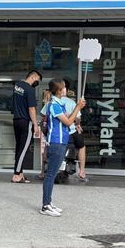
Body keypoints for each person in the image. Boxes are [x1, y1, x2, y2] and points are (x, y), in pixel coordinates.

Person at [40, 78, 86, 217]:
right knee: (51, 174)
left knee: (52, 173)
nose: (66, 89)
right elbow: (67, 122)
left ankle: (48, 202)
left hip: (60, 141)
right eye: (64, 87)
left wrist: (76, 113)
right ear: (59, 90)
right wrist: (78, 107)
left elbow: (70, 119)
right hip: (56, 142)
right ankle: (45, 205)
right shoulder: (54, 105)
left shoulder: (58, 104)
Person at [11, 69, 42, 183]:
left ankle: (21, 173)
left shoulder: (17, 85)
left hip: (16, 120)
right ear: (33, 77)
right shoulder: (30, 89)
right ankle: (17, 174)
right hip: (25, 122)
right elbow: (32, 108)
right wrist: (35, 125)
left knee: (19, 147)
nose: (36, 83)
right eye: (37, 80)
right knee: (23, 149)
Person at [62, 79, 87, 181]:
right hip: (71, 131)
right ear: (67, 91)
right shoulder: (71, 102)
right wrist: (77, 124)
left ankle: (42, 172)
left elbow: (44, 116)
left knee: (47, 147)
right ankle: (82, 171)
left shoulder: (51, 102)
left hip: (56, 133)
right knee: (81, 146)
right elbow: (77, 119)